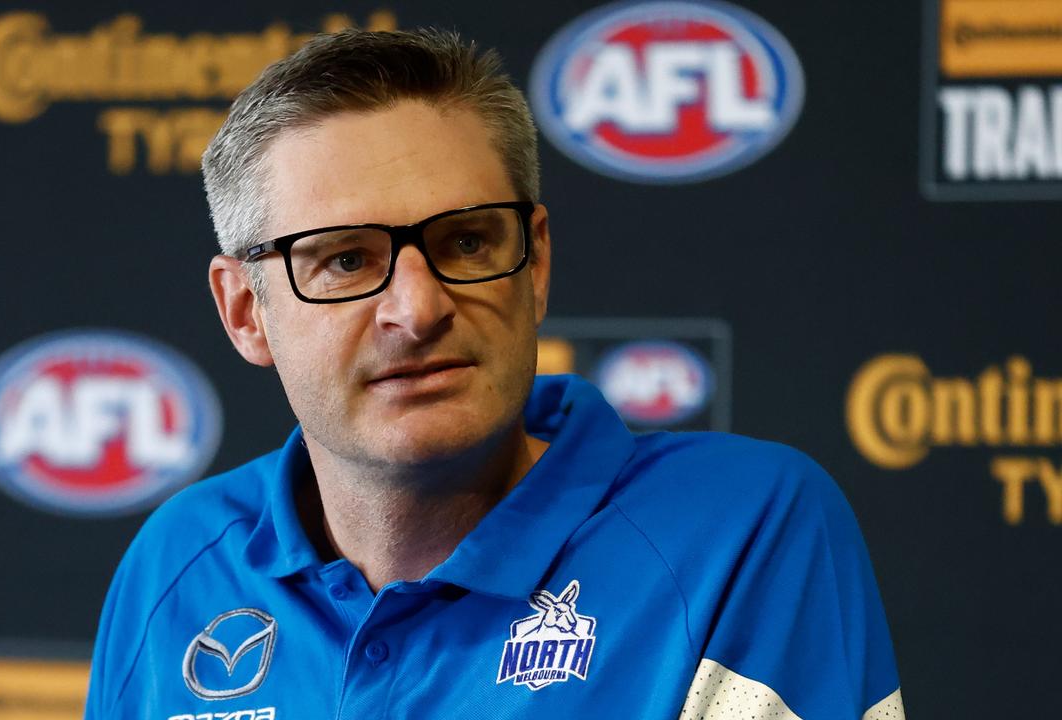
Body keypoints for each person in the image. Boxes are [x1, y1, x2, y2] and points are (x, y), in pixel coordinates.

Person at [84, 28, 904, 720]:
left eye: (466, 243)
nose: (417, 307)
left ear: (536, 262)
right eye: (343, 260)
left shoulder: (737, 529)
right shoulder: (178, 565)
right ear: (244, 312)